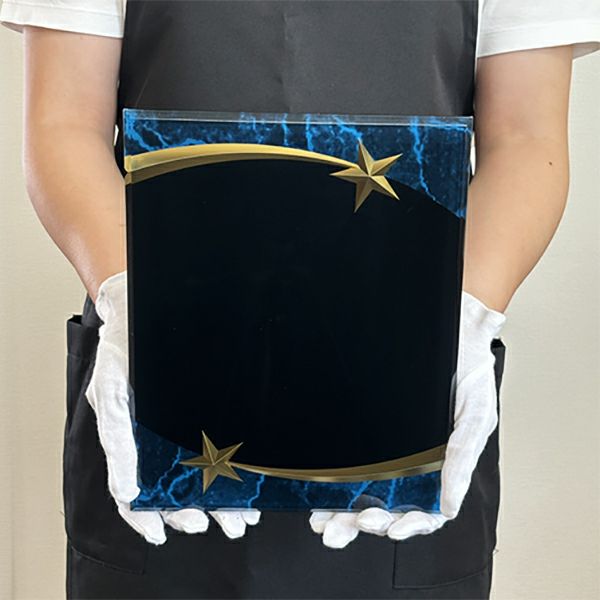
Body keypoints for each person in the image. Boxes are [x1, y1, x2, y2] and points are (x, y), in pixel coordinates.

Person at [1, 0, 599, 598]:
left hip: (399, 377)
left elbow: (525, 138)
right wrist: (136, 307)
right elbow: (66, 123)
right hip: (165, 371)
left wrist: (460, 321)